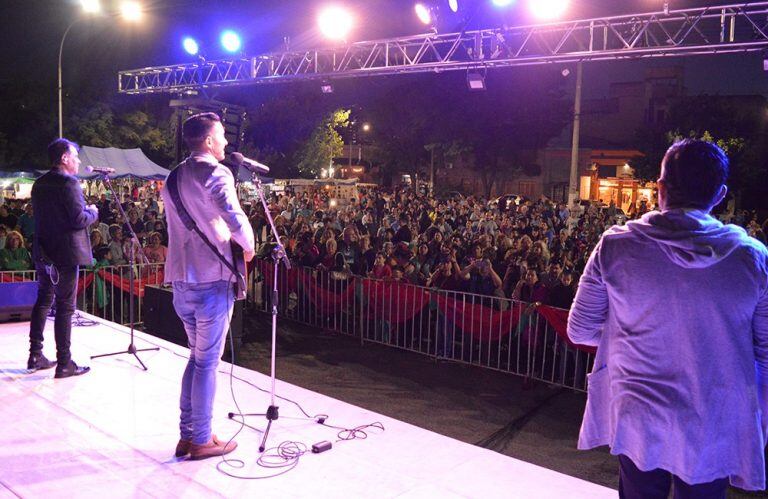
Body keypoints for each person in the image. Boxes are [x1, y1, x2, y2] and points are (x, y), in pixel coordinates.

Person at [567, 139, 768, 495]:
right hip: (714, 419)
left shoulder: (615, 247)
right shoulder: (752, 259)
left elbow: (580, 329)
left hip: (638, 417)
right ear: (720, 194)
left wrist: (632, 337)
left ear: (659, 188)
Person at [161, 112, 255, 461]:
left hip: (181, 281)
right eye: (222, 136)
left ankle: (190, 434)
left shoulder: (172, 177)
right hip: (211, 280)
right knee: (206, 364)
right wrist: (249, 244)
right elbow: (233, 216)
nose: (227, 143)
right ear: (210, 141)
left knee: (196, 358)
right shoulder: (216, 172)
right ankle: (201, 439)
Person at [27, 138, 98, 378]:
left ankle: (35, 354)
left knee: (43, 300)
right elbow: (78, 219)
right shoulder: (69, 183)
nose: (78, 160)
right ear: (65, 158)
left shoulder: (39, 184)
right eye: (75, 156)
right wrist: (93, 212)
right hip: (66, 255)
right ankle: (64, 362)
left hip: (44, 252)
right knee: (65, 308)